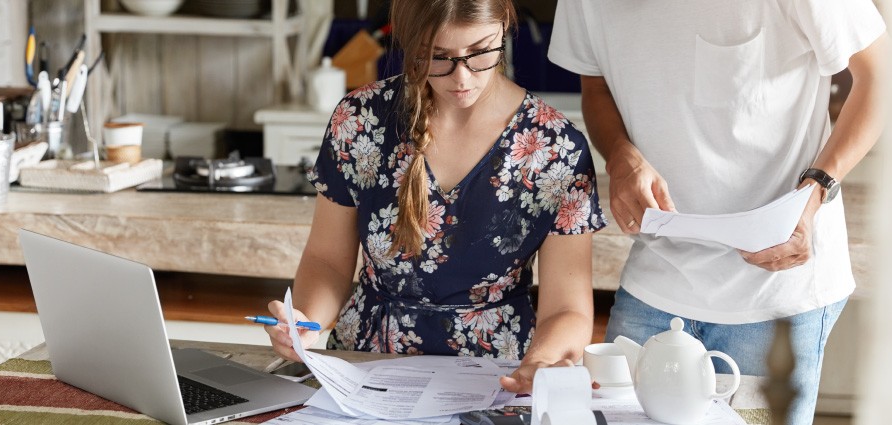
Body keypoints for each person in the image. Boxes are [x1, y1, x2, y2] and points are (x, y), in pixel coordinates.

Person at [549, 1, 888, 424]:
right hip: (654, 280)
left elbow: (880, 75)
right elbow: (595, 85)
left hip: (773, 289)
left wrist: (817, 187)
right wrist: (619, 155)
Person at [262, 0, 607, 394]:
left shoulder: (556, 147)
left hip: (500, 373)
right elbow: (327, 261)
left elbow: (568, 307)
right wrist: (305, 323)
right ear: (410, 44)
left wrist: (543, 361)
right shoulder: (358, 120)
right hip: (367, 364)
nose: (462, 77)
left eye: (480, 52)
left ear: (504, 28)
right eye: (438, 57)